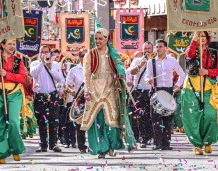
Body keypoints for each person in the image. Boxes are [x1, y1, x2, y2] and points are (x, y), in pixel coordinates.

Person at [81, 28, 136, 159]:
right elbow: (86, 75)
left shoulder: (113, 53)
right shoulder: (90, 54)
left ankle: (112, 147)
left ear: (107, 39)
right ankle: (101, 149)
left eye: (100, 39)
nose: (98, 41)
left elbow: (120, 65)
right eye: (96, 39)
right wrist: (87, 91)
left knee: (112, 121)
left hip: (110, 89)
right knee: (97, 120)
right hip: (95, 91)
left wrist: (122, 74)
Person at [0, 39, 27, 164]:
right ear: (2, 45)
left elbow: (23, 78)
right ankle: (1, 153)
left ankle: (15, 149)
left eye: (13, 44)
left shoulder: (18, 60)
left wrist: (7, 74)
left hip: (14, 93)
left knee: (14, 122)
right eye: (9, 44)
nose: (12, 46)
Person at [182, 31, 218, 155]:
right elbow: (189, 55)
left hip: (208, 88)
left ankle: (208, 141)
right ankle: (197, 145)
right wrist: (194, 41)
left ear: (207, 38)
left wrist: (207, 72)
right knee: (193, 117)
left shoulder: (214, 53)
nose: (202, 38)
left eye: (203, 36)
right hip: (191, 88)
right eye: (199, 36)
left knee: (210, 115)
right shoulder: (191, 50)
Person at [145, 39, 185, 151]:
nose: (158, 49)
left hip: (168, 90)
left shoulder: (172, 61)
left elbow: (182, 74)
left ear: (166, 48)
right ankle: (157, 143)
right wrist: (149, 80)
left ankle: (166, 143)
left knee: (167, 118)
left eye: (160, 47)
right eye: (157, 47)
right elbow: (147, 76)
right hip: (156, 90)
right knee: (155, 118)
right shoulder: (151, 62)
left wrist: (177, 85)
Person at [30, 45, 64, 153]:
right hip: (40, 95)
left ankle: (53, 144)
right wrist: (42, 63)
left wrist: (50, 68)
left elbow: (60, 79)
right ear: (39, 53)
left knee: (54, 120)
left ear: (50, 53)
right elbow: (33, 73)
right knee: (42, 121)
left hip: (53, 94)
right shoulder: (35, 63)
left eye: (46, 52)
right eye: (42, 52)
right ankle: (43, 145)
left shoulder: (55, 64)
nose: (45, 54)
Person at [129, 41, 155, 148]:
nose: (147, 51)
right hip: (139, 91)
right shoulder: (136, 60)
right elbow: (131, 72)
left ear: (152, 50)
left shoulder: (155, 61)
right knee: (140, 116)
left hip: (152, 91)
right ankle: (143, 138)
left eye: (149, 48)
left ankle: (151, 137)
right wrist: (140, 65)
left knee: (151, 115)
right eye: (145, 49)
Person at [65, 49, 88, 153]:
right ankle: (82, 146)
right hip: (79, 99)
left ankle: (94, 144)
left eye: (87, 55)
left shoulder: (94, 69)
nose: (85, 57)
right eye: (83, 56)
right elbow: (67, 85)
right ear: (79, 57)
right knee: (80, 124)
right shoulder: (74, 70)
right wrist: (72, 92)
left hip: (92, 99)